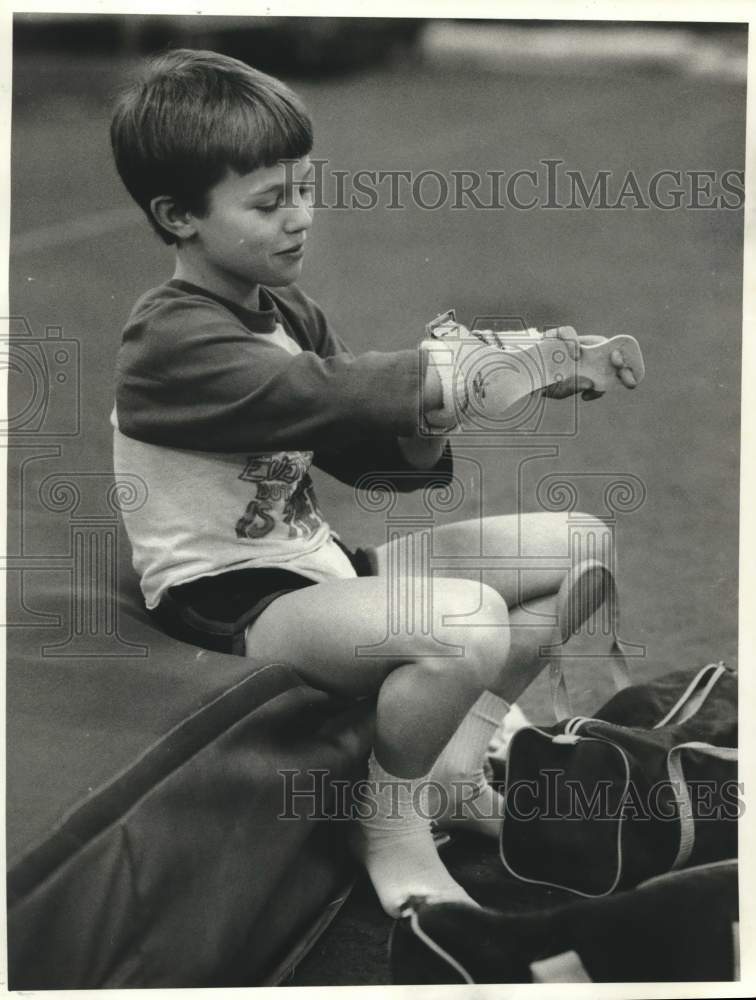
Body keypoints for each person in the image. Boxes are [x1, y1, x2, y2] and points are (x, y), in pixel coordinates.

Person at [109, 49, 641, 918]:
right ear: (177, 217)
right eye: (269, 203)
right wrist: (458, 369)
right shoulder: (165, 340)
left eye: (305, 190)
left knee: (584, 546)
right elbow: (313, 392)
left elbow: (373, 462)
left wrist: (444, 409)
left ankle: (456, 767)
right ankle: (387, 819)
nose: (300, 219)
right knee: (463, 625)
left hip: (318, 563)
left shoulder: (286, 309)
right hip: (227, 594)